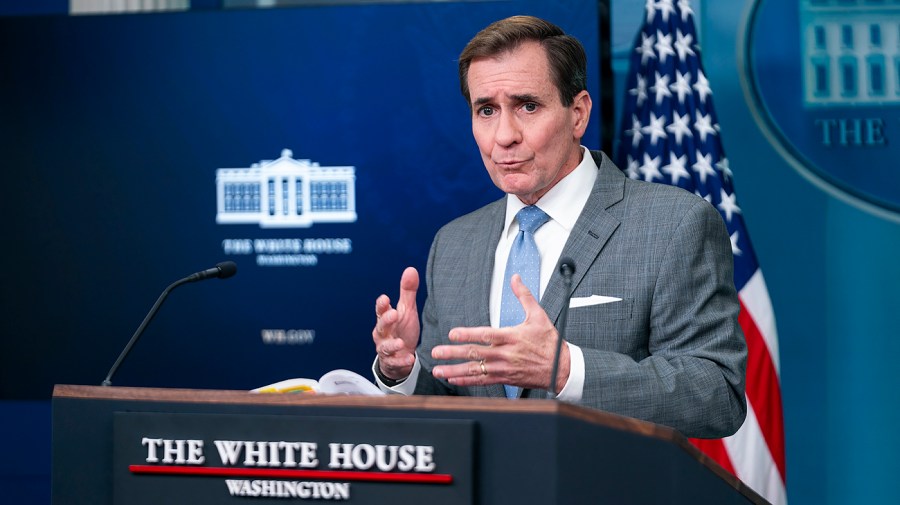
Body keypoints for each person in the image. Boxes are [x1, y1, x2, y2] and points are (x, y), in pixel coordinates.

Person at [371, 15, 746, 439]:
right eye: (487, 110)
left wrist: (566, 370)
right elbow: (451, 404)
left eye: (527, 106)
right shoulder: (455, 243)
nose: (504, 135)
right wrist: (402, 371)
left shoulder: (675, 225)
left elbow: (717, 395)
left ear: (578, 114)